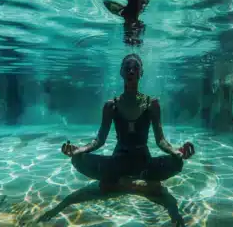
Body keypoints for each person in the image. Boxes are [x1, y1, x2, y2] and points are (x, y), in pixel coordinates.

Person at [62, 53, 195, 193]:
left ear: (141, 73)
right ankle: (140, 184)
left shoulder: (152, 104)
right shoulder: (111, 106)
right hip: (118, 161)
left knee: (177, 162)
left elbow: (160, 140)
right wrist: (80, 150)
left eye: (135, 68)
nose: (131, 71)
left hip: (143, 161)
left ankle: (120, 183)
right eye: (127, 68)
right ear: (121, 72)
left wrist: (176, 152)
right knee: (77, 159)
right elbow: (99, 140)